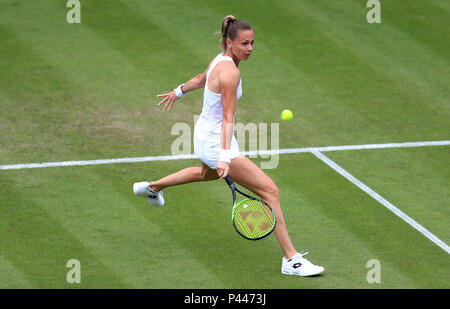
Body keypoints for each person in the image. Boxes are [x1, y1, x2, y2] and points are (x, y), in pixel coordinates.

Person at [133, 15, 324, 277]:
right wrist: (224, 157)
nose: (250, 49)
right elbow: (228, 118)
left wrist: (177, 91)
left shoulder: (220, 60)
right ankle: (291, 260)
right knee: (270, 191)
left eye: (252, 43)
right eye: (244, 43)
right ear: (229, 42)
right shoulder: (231, 73)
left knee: (204, 174)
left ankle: (150, 188)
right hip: (215, 142)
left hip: (203, 134)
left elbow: (201, 78)